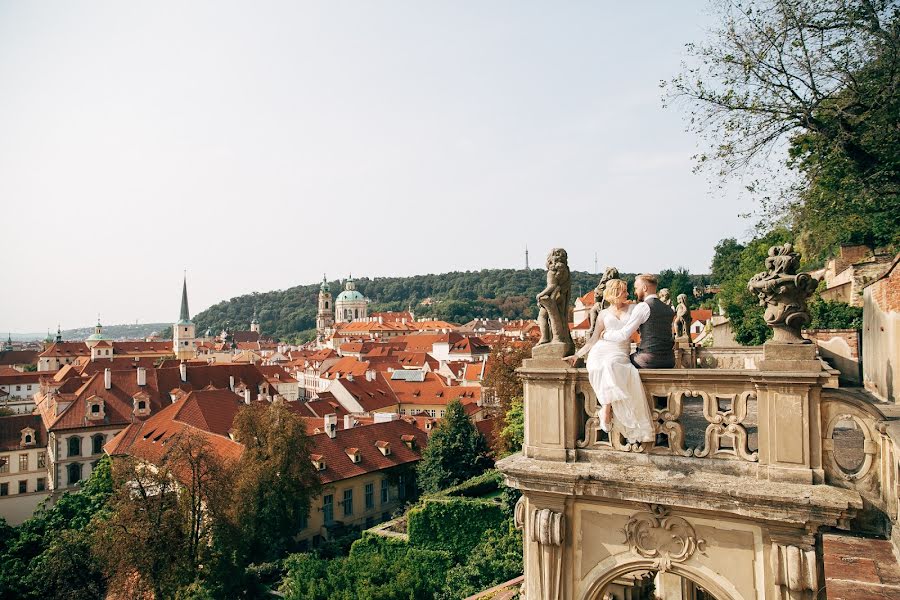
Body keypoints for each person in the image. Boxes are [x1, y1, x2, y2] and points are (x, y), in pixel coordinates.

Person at [564, 279, 654, 443]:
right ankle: (606, 406)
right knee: (599, 365)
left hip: (620, 351)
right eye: (624, 291)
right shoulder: (604, 314)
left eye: (627, 290)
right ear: (616, 293)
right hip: (601, 350)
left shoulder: (633, 308)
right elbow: (593, 339)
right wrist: (577, 355)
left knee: (610, 365)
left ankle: (605, 408)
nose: (628, 294)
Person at [602, 273, 676, 369]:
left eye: (636, 288)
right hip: (669, 360)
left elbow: (624, 334)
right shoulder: (668, 308)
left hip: (648, 360)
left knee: (615, 362)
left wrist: (605, 334)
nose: (635, 292)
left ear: (644, 288)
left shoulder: (643, 307)